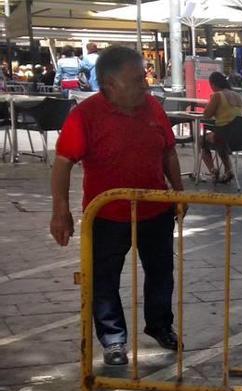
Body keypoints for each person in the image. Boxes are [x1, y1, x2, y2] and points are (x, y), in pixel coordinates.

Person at [50, 46, 185, 366]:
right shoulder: (85, 116)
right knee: (104, 278)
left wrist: (178, 193)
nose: (145, 85)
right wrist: (60, 210)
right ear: (110, 85)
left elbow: (168, 152)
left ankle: (160, 325)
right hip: (108, 215)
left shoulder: (152, 107)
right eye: (137, 79)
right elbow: (62, 163)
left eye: (145, 78)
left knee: (161, 273)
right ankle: (113, 340)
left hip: (155, 210)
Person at [200, 72, 242, 183]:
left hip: (225, 136)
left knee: (202, 140)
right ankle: (228, 170)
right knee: (218, 138)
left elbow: (206, 115)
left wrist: (210, 104)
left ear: (213, 84)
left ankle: (213, 170)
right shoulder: (238, 96)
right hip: (241, 137)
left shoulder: (217, 95)